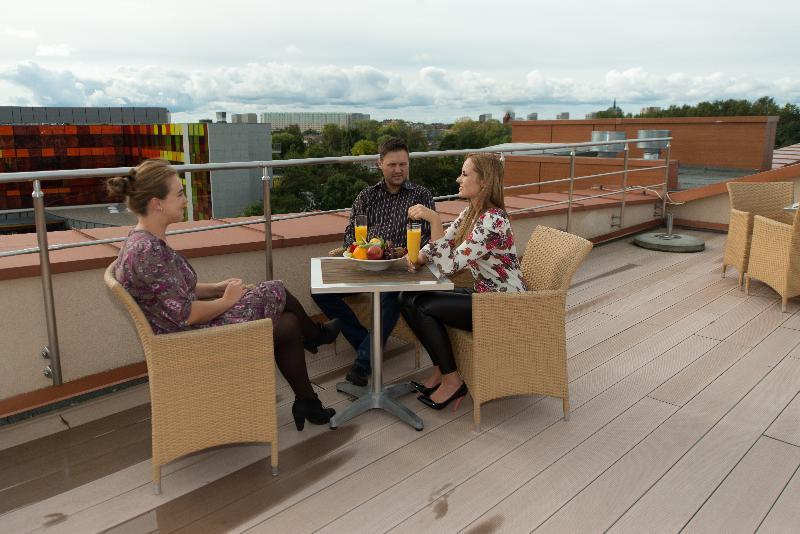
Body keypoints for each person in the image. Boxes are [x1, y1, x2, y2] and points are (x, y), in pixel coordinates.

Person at [108, 159, 340, 431]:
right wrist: (227, 300)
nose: (185, 200)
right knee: (276, 289)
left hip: (184, 331)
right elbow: (187, 314)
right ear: (157, 203)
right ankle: (314, 337)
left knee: (288, 324)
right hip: (190, 342)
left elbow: (175, 291)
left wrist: (217, 288)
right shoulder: (148, 252)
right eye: (180, 194)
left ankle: (307, 398)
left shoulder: (142, 241)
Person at [400, 153, 527, 410]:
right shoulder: (473, 212)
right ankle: (440, 371)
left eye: (465, 174)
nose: (459, 178)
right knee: (406, 298)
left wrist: (433, 218)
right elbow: (445, 241)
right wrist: (421, 255)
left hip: (504, 306)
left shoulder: (493, 220)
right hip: (484, 294)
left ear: (484, 182)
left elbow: (448, 266)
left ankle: (452, 382)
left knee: (424, 306)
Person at [312, 138, 435, 387]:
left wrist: (405, 255)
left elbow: (428, 239)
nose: (398, 170)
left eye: (403, 164)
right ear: (380, 164)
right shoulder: (367, 196)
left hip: (402, 269)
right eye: (392, 164)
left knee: (389, 296)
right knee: (320, 292)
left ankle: (363, 363)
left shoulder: (421, 196)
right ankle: (366, 343)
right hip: (366, 266)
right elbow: (350, 236)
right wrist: (362, 251)